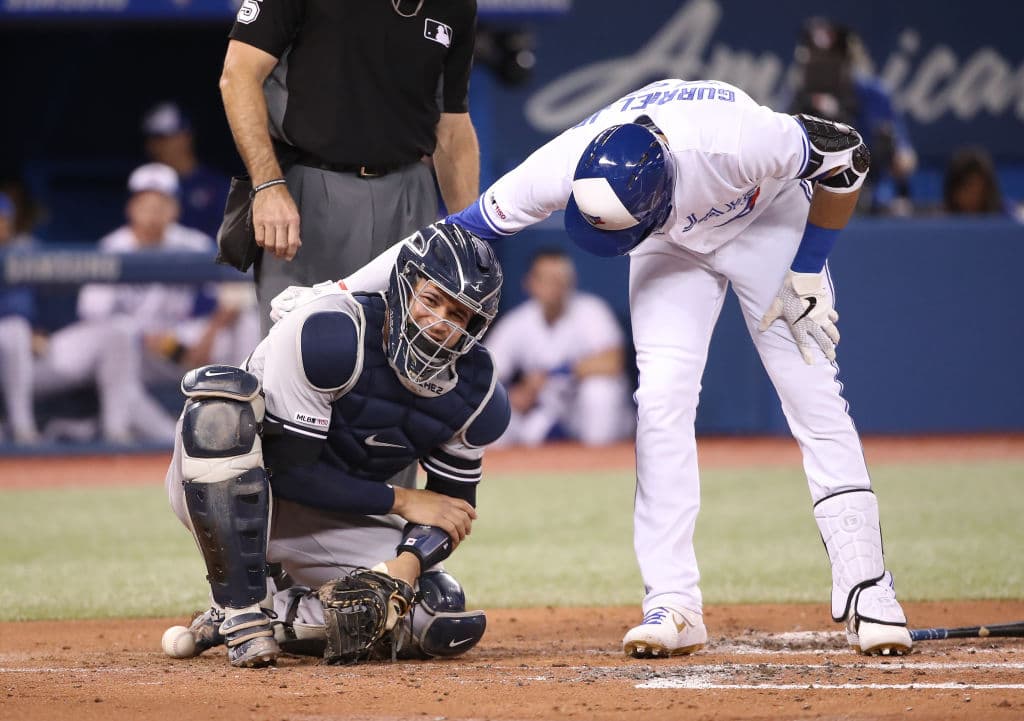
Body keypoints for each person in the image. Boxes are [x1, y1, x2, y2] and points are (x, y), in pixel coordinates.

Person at [432, 78, 909, 658]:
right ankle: (673, 603)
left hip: (768, 217)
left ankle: (871, 589)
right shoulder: (566, 161)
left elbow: (849, 152)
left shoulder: (741, 140)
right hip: (672, 239)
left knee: (811, 392)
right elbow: (455, 231)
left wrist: (809, 268)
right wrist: (343, 288)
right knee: (660, 402)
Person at [162, 223, 509, 668]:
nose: (440, 323)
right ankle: (243, 607)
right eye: (432, 300)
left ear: (476, 326)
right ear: (403, 289)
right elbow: (289, 472)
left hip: (327, 514)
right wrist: (402, 500)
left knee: (434, 609)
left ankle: (273, 614)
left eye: (458, 315)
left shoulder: (478, 393)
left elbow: (452, 510)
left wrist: (406, 564)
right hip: (229, 487)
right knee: (219, 412)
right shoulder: (330, 333)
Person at [219, 0, 482, 338]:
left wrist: (469, 238)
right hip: (310, 189)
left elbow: (452, 125)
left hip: (410, 194)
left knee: (403, 356)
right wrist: (268, 185)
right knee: (301, 351)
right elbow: (238, 75)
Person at [0, 191, 178, 445]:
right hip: (7, 354)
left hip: (40, 358)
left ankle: (116, 434)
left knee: (119, 330)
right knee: (13, 329)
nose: (3, 225)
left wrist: (39, 331)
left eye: (5, 219)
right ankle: (23, 431)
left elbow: (60, 308)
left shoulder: (28, 250)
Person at [78, 163, 259, 383]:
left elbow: (237, 290)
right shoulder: (112, 248)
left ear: (176, 208)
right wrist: (142, 338)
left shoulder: (193, 244)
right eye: (145, 201)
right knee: (117, 340)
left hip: (181, 340)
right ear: (131, 207)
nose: (154, 209)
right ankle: (128, 418)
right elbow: (93, 315)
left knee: (247, 321)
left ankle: (243, 396)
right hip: (135, 348)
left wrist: (209, 335)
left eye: (162, 202)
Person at [485, 248, 634, 447]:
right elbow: (486, 373)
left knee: (599, 391)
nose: (556, 286)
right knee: (493, 408)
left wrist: (552, 373)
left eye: (561, 278)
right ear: (531, 283)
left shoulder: (590, 310)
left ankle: (599, 463)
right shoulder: (518, 322)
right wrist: (512, 394)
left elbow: (612, 362)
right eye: (548, 279)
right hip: (547, 412)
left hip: (585, 411)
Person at [787, 17, 917, 216]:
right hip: (808, 202)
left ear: (847, 61)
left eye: (830, 61)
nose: (822, 69)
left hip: (867, 197)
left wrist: (891, 153)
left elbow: (906, 159)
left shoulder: (874, 95)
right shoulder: (798, 98)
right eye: (815, 60)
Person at [141, 101, 232, 239]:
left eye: (164, 139)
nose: (157, 147)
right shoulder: (146, 186)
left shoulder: (217, 187)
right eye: (153, 139)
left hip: (204, 259)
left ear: (186, 137)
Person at [940, 146, 1020, 218]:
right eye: (967, 189)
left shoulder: (1011, 215)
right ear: (953, 190)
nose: (973, 196)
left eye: (979, 189)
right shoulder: (939, 220)